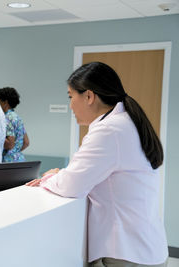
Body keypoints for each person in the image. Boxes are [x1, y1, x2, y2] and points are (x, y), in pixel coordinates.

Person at [27, 62, 168, 267]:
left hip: (127, 254)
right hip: (145, 247)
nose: (70, 105)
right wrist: (65, 173)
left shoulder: (109, 131)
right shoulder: (125, 123)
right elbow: (98, 170)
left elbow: (71, 185)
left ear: (89, 96)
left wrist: (50, 177)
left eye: (70, 96)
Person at [0, 87, 29, 162]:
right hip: (19, 161)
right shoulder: (17, 118)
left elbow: (10, 144)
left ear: (5, 103)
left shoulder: (6, 118)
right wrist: (14, 153)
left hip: (8, 163)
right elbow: (26, 142)